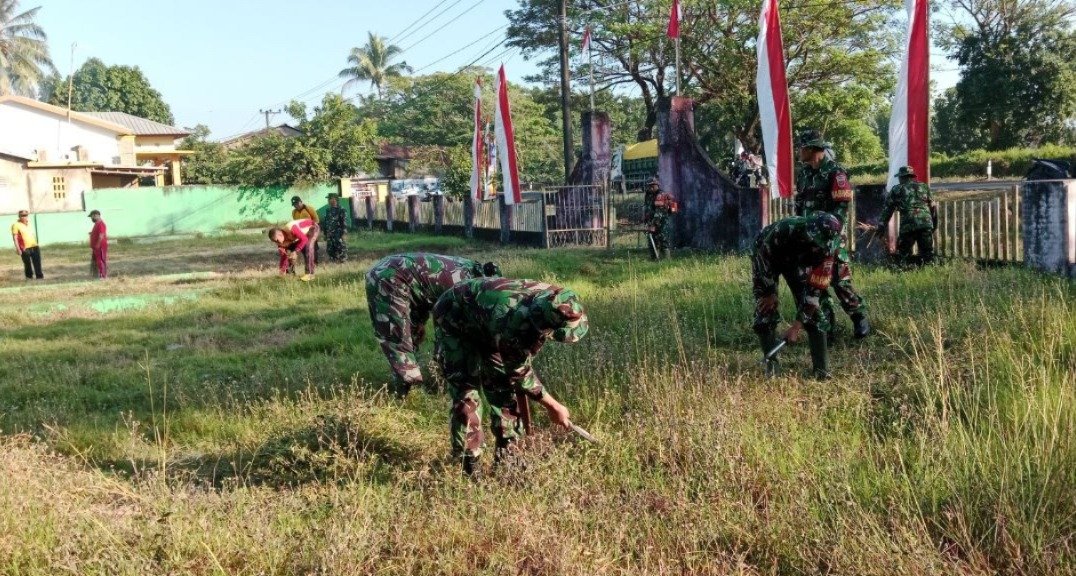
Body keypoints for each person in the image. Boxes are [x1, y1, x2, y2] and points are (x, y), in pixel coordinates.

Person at [433, 278, 588, 475]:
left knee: (502, 389)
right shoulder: (515, 322)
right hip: (454, 316)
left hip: (487, 318)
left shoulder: (557, 298)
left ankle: (509, 456)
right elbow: (519, 373)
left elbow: (515, 369)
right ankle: (470, 463)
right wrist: (554, 406)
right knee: (466, 390)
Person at [366, 253, 500, 396]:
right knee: (397, 338)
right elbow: (448, 331)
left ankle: (418, 379)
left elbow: (426, 288)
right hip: (388, 277)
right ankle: (406, 394)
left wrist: (420, 321)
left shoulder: (470, 269)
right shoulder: (465, 289)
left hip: (406, 277)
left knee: (414, 333)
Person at [794, 129, 870, 339]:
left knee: (839, 281)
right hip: (809, 238)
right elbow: (799, 205)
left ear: (811, 148)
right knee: (815, 282)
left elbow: (842, 207)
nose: (798, 152)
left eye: (801, 147)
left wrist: (831, 233)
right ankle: (827, 327)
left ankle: (859, 316)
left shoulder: (835, 172)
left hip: (831, 237)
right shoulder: (804, 174)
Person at [752, 213, 844, 379]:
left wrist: (796, 326)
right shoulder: (786, 229)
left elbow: (814, 293)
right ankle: (771, 366)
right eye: (814, 241)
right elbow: (762, 258)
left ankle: (821, 372)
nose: (816, 247)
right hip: (767, 256)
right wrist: (768, 291)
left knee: (815, 314)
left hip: (796, 263)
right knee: (765, 308)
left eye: (820, 245)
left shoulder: (828, 252)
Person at [877, 165, 936, 267]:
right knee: (927, 253)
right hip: (925, 223)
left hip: (909, 225)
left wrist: (882, 225)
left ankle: (903, 270)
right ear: (912, 176)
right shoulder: (924, 187)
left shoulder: (897, 189)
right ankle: (928, 271)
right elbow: (933, 207)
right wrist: (934, 224)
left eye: (899, 177)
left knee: (903, 253)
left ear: (902, 177)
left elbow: (888, 209)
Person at [643, 177, 677, 260]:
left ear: (657, 185)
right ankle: (654, 259)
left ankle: (667, 259)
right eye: (649, 186)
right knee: (651, 240)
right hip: (651, 221)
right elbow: (647, 208)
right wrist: (645, 219)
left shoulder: (660, 195)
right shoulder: (648, 195)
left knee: (663, 240)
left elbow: (659, 212)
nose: (650, 187)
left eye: (652, 185)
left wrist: (654, 224)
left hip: (662, 222)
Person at [11, 210, 43, 280]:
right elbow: (15, 238)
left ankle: (39, 277)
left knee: (37, 263)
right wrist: (18, 249)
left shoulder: (29, 223)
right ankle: (29, 277)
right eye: (22, 215)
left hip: (34, 246)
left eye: (25, 215)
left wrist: (37, 243)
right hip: (24, 248)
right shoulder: (16, 225)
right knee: (27, 263)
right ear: (19, 216)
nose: (24, 217)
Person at [291, 196, 321, 263]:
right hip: (302, 232)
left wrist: (312, 230)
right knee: (304, 247)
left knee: (313, 247)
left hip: (311, 230)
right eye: (294, 204)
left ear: (301, 202)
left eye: (297, 203)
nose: (296, 205)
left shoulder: (309, 209)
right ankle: (308, 262)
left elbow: (317, 220)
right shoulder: (294, 212)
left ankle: (315, 262)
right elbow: (296, 222)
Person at [323, 193, 349, 263]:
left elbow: (344, 223)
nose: (328, 200)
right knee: (330, 250)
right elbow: (326, 223)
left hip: (338, 234)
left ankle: (343, 263)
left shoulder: (341, 209)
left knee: (341, 248)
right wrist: (325, 234)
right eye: (328, 199)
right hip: (330, 234)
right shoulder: (328, 210)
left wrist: (344, 233)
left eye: (329, 199)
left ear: (334, 199)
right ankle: (334, 263)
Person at [88, 210, 108, 279]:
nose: (91, 218)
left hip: (100, 246)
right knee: (97, 261)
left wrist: (98, 244)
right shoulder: (97, 224)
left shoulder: (101, 224)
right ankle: (99, 275)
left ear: (96, 215)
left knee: (100, 261)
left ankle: (103, 276)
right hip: (96, 246)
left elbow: (101, 235)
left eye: (92, 217)